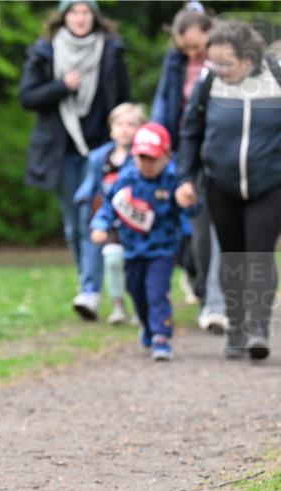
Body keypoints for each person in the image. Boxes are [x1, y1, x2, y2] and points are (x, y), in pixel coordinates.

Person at [19, 0, 131, 321]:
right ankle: (89, 285)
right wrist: (61, 87)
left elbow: (124, 98)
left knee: (94, 220)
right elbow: (28, 97)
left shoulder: (111, 50)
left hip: (100, 151)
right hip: (62, 152)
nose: (80, 18)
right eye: (74, 12)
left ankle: (91, 291)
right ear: (64, 17)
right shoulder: (45, 52)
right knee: (73, 224)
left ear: (94, 18)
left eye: (85, 13)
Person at [176, 20, 281, 360]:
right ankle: (236, 326)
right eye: (214, 62)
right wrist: (185, 178)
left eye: (227, 64)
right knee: (232, 255)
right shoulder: (209, 82)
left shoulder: (276, 78)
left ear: (249, 59)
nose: (219, 70)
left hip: (270, 184)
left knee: (261, 254)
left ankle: (258, 329)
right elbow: (190, 131)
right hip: (221, 184)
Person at [152, 1, 229, 335]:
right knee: (199, 233)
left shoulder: (232, 60)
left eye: (198, 47)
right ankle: (200, 286)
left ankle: (218, 303)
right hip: (187, 152)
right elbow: (164, 106)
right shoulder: (175, 64)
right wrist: (159, 144)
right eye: (187, 49)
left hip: (225, 155)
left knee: (222, 233)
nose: (194, 54)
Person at [90, 123, 191, 361]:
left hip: (162, 250)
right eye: (142, 158)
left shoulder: (174, 179)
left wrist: (189, 205)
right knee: (136, 291)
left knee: (156, 292)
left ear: (166, 156)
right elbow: (109, 206)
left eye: (152, 159)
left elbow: (188, 212)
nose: (147, 164)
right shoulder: (126, 178)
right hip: (133, 249)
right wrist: (100, 226)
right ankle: (147, 326)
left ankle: (161, 336)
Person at [73, 102, 147, 325]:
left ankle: (140, 306)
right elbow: (90, 184)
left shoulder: (144, 158)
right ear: (111, 129)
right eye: (120, 124)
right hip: (109, 219)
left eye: (131, 124)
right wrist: (83, 200)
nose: (125, 129)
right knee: (113, 259)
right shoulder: (99, 158)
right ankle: (118, 306)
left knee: (138, 266)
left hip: (137, 222)